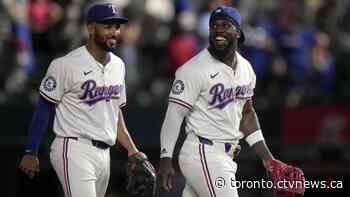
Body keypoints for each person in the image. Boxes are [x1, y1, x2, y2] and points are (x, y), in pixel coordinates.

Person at [18, 3, 153, 197]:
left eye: (116, 26)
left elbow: (114, 113)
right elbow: (44, 107)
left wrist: (132, 149)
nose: (114, 31)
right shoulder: (66, 64)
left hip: (104, 152)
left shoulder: (118, 65)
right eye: (107, 26)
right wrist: (31, 150)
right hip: (73, 147)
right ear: (90, 28)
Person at [158, 6, 277, 197]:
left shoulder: (246, 68)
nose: (218, 29)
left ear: (238, 32)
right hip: (203, 153)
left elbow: (246, 114)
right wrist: (165, 158)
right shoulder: (192, 69)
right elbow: (174, 115)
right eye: (214, 25)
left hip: (226, 155)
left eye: (225, 25)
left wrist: (267, 158)